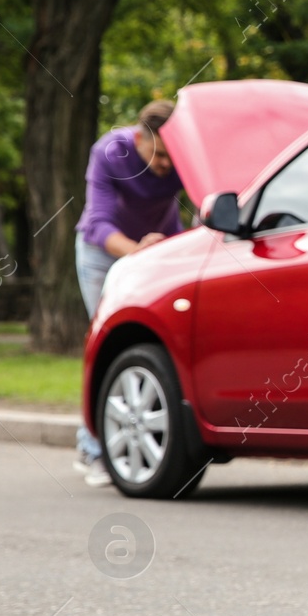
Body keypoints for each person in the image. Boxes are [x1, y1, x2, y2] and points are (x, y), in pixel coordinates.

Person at [72, 99, 184, 486]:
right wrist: (139, 252)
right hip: (103, 254)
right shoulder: (110, 152)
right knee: (109, 345)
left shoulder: (184, 153)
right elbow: (99, 223)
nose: (166, 165)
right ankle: (93, 451)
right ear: (140, 137)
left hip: (161, 247)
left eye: (172, 156)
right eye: (159, 155)